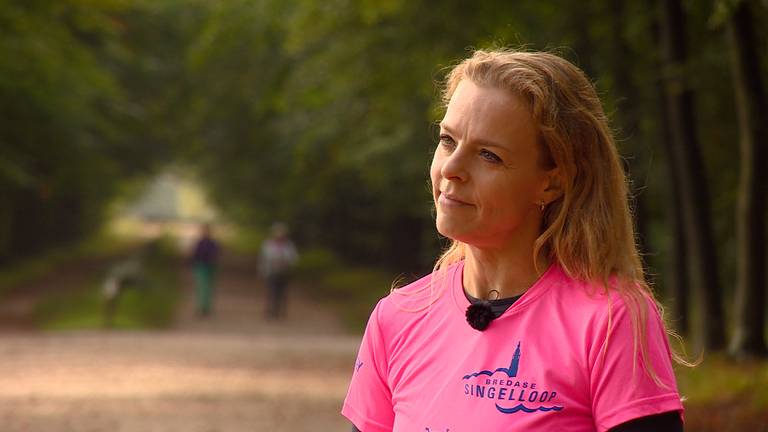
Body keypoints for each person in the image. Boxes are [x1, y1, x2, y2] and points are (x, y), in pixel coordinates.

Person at [342, 49, 686, 432]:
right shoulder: (397, 318)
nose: (452, 168)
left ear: (551, 182)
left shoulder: (610, 320)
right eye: (447, 140)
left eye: (488, 155)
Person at [259, 222, 298, 319]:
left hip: (284, 272)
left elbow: (294, 258)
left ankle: (280, 311)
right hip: (271, 271)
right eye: (277, 233)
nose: (279, 235)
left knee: (282, 292)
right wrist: (262, 270)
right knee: (271, 291)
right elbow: (263, 258)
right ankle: (270, 311)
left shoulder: (289, 245)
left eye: (281, 233)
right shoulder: (268, 244)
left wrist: (286, 262)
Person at [190, 223, 220, 317]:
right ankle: (202, 307)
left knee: (208, 288)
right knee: (202, 287)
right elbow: (195, 255)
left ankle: (206, 307)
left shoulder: (212, 243)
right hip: (201, 266)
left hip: (210, 267)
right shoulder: (200, 243)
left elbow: (216, 255)